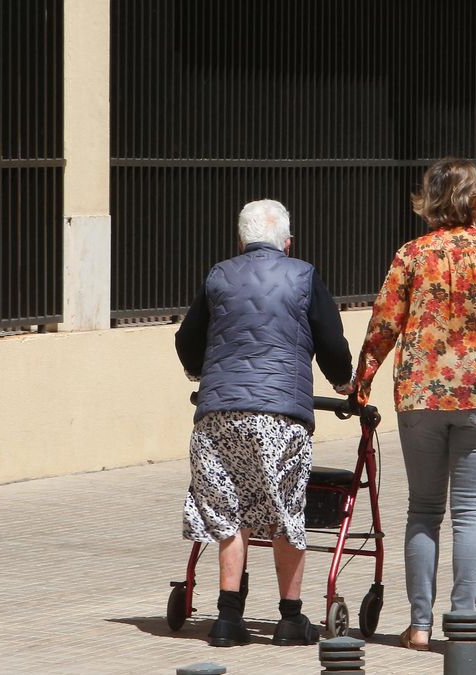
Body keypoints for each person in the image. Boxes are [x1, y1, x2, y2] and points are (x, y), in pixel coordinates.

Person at [352, 158, 476, 651]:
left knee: (423, 510)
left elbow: (383, 325)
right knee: (472, 511)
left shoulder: (412, 255)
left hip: (421, 395)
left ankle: (419, 626)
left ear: (430, 201)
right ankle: (463, 622)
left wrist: (362, 381)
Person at [175, 199, 354, 648]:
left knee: (228, 511)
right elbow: (331, 340)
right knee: (285, 510)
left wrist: (202, 372)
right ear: (288, 243)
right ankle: (290, 620)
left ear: (241, 241)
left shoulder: (219, 274)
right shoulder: (304, 275)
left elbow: (188, 338)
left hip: (219, 415)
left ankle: (227, 620)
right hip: (280, 415)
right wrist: (343, 381)